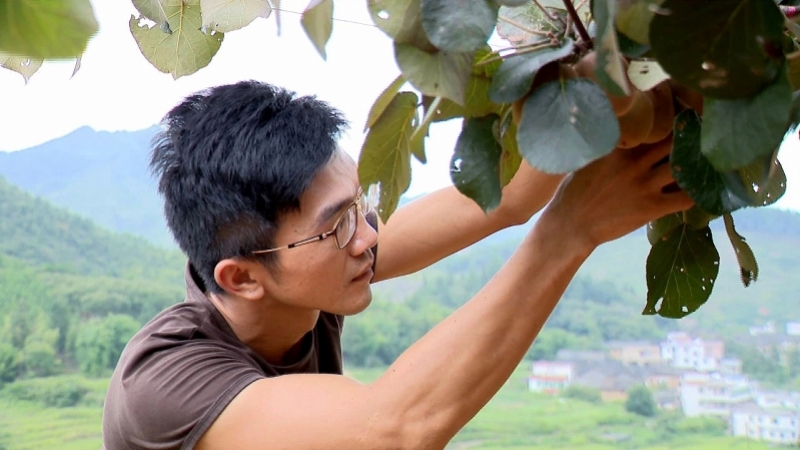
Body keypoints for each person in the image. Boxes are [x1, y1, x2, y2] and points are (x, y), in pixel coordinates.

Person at [101, 80, 692, 450]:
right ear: (242, 277)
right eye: (337, 225)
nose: (367, 239)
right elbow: (394, 431)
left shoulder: (301, 274)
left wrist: (595, 92)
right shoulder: (165, 385)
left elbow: (498, 198)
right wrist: (570, 231)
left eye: (361, 205)